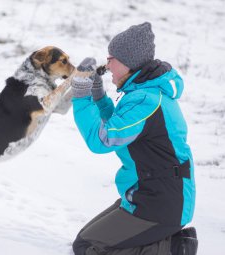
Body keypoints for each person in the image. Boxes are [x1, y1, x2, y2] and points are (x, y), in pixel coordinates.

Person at [70, 22, 198, 255]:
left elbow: (104, 140)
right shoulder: (143, 93)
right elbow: (121, 129)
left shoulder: (145, 100)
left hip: (161, 203)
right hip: (150, 193)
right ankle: (164, 240)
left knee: (88, 247)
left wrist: (81, 98)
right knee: (85, 239)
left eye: (112, 59)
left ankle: (174, 247)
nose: (107, 65)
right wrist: (99, 99)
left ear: (128, 62)